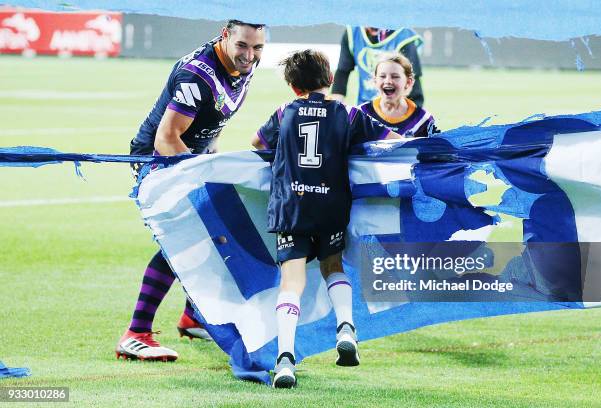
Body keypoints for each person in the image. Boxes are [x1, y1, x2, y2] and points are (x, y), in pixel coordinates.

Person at [251, 49, 403, 388]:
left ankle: (285, 359)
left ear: (292, 86)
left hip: (292, 207)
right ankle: (346, 327)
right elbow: (392, 142)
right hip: (331, 207)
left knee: (291, 282)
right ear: (331, 79)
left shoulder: (283, 112)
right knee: (333, 267)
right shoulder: (347, 113)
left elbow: (257, 143)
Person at [116, 20, 266, 362]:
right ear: (225, 36)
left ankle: (193, 317)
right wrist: (200, 177)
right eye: (243, 46)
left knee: (217, 233)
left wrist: (210, 164)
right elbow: (166, 138)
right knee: (184, 239)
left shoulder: (244, 65)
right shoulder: (197, 76)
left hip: (193, 158)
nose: (250, 55)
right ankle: (135, 333)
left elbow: (211, 125)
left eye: (258, 48)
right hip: (158, 159)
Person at [331, 26, 424, 106]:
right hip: (365, 109)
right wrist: (335, 110)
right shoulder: (352, 33)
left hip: (395, 111)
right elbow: (342, 73)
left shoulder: (403, 37)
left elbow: (414, 86)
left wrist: (412, 119)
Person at [359, 53, 438, 138]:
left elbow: (434, 149)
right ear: (375, 81)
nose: (388, 81)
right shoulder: (361, 114)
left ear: (408, 82)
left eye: (395, 76)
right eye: (382, 76)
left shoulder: (422, 120)